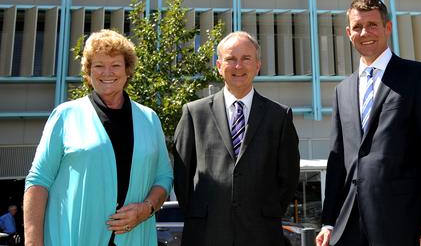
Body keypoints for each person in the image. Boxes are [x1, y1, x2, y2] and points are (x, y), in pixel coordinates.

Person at [316, 0, 421, 246]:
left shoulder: (419, 77)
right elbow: (337, 161)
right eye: (357, 27)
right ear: (349, 33)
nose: (364, 32)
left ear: (387, 28)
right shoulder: (342, 90)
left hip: (403, 222)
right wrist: (328, 222)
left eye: (372, 25)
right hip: (349, 227)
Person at [23, 29, 173, 246]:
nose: (107, 73)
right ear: (88, 71)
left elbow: (164, 177)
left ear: (128, 70)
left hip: (135, 239)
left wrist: (146, 208)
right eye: (99, 66)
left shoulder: (149, 119)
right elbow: (38, 181)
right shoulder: (66, 115)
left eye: (115, 65)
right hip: (72, 238)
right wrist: (32, 243)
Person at [173, 31, 300, 246]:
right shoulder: (194, 114)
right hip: (205, 235)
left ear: (258, 65)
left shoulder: (279, 117)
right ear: (219, 65)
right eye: (231, 59)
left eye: (246, 59)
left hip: (261, 235)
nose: (238, 66)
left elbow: (287, 178)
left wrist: (264, 212)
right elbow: (182, 176)